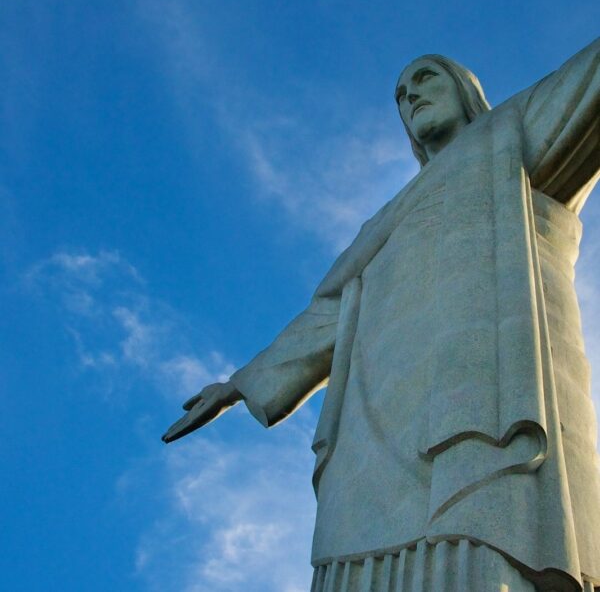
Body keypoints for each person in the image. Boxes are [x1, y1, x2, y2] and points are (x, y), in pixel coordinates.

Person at [163, 40, 600, 592]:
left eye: (426, 78)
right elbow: (328, 311)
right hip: (372, 433)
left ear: (465, 91)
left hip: (477, 405)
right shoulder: (381, 224)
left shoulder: (511, 133)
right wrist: (240, 383)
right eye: (400, 94)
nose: (411, 95)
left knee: (480, 546)